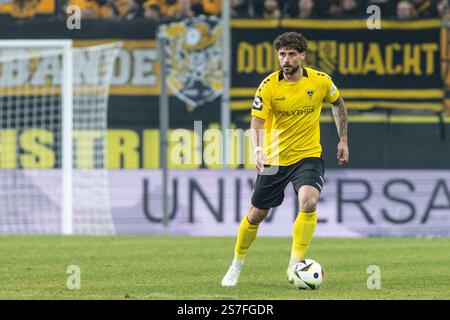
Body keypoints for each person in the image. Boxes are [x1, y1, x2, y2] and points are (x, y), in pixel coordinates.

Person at [221, 32, 349, 287]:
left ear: (302, 55)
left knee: (309, 200)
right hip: (275, 158)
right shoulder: (268, 86)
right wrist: (258, 150)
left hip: (308, 155)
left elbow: (338, 104)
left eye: (291, 54)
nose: (286, 59)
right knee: (257, 214)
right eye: (282, 54)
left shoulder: (321, 81)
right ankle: (236, 263)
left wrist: (343, 139)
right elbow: (256, 123)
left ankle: (295, 264)